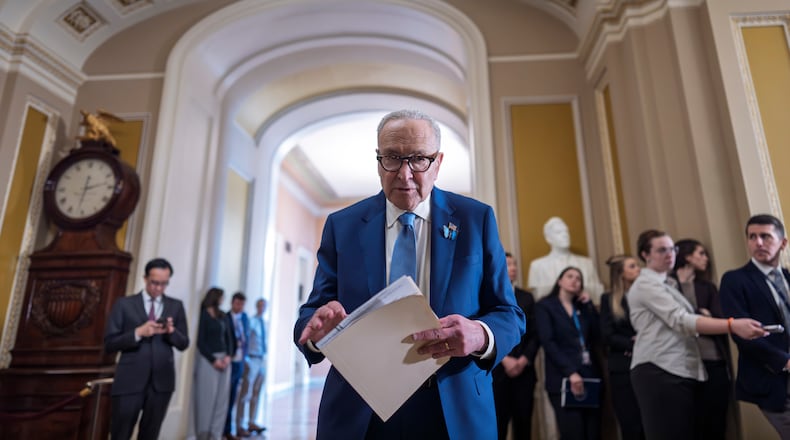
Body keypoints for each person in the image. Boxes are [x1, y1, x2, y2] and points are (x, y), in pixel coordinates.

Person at [293, 109, 525, 439]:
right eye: (392, 158)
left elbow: (510, 314)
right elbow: (310, 315)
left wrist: (480, 334)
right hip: (361, 414)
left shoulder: (477, 220)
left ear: (438, 161)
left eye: (418, 159)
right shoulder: (342, 226)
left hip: (453, 410)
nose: (404, 174)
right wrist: (317, 332)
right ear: (378, 160)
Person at [628, 230, 766, 440]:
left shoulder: (668, 284)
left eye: (672, 248)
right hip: (659, 368)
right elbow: (681, 320)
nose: (670, 254)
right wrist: (731, 325)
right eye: (662, 250)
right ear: (645, 254)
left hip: (677, 369)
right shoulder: (646, 284)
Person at [720, 214, 790, 438]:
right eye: (752, 237)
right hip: (773, 380)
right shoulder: (735, 280)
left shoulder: (788, 277)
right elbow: (742, 335)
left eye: (765, 236)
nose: (758, 242)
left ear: (783, 243)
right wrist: (785, 361)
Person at [104, 258, 190, 440]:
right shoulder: (124, 304)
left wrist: (171, 331)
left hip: (161, 383)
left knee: (150, 434)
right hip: (129, 381)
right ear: (145, 278)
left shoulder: (176, 306)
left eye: (164, 283)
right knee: (121, 433)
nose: (159, 288)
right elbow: (110, 343)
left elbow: (184, 343)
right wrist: (137, 332)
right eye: (155, 283)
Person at [671, 239, 732, 440]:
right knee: (690, 422)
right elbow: (673, 322)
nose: (706, 258)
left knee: (716, 421)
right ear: (687, 256)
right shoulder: (668, 286)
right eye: (701, 253)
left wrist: (700, 319)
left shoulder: (707, 287)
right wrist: (700, 315)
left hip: (713, 360)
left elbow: (719, 321)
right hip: (681, 363)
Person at [536, 266, 602, 440]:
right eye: (570, 276)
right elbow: (548, 342)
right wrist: (570, 372)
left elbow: (598, 335)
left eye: (579, 278)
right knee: (573, 432)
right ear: (560, 281)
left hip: (589, 376)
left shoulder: (582, 307)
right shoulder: (545, 306)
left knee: (593, 433)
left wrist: (589, 305)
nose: (575, 280)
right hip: (562, 379)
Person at [493, 252, 539, 439]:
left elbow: (536, 334)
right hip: (498, 369)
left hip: (524, 371)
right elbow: (489, 332)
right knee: (498, 426)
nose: (513, 268)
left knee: (523, 425)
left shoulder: (527, 297)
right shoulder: (489, 296)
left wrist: (524, 359)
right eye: (508, 264)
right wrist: (504, 359)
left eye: (515, 264)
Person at [599, 255, 644, 440]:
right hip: (622, 366)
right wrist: (631, 344)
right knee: (630, 421)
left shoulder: (645, 294)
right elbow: (607, 334)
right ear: (621, 273)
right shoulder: (608, 299)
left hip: (647, 362)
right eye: (632, 266)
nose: (638, 269)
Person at [527, 217, 604, 302]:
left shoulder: (587, 264)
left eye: (566, 231)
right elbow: (537, 297)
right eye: (559, 232)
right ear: (548, 238)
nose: (565, 235)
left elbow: (597, 295)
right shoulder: (537, 266)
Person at [193, 287, 234, 440]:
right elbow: (200, 341)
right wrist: (213, 360)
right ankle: (203, 434)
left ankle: (215, 434)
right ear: (216, 297)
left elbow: (230, 338)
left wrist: (228, 356)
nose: (223, 300)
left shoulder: (223, 315)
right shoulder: (204, 315)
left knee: (222, 400)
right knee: (206, 398)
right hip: (209, 360)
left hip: (225, 360)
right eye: (222, 297)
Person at [236, 298, 268, 436]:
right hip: (252, 359)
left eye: (264, 306)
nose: (262, 308)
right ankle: (240, 424)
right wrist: (246, 359)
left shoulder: (265, 323)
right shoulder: (251, 322)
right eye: (259, 305)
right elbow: (244, 340)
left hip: (262, 360)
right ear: (256, 306)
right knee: (245, 393)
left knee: (257, 392)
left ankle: (252, 422)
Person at [225, 292, 249, 440]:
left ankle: (234, 428)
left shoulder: (244, 318)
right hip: (229, 361)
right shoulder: (226, 318)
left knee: (235, 396)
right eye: (237, 304)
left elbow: (245, 337)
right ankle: (226, 430)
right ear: (232, 303)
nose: (239, 307)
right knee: (226, 398)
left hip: (240, 361)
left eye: (242, 304)